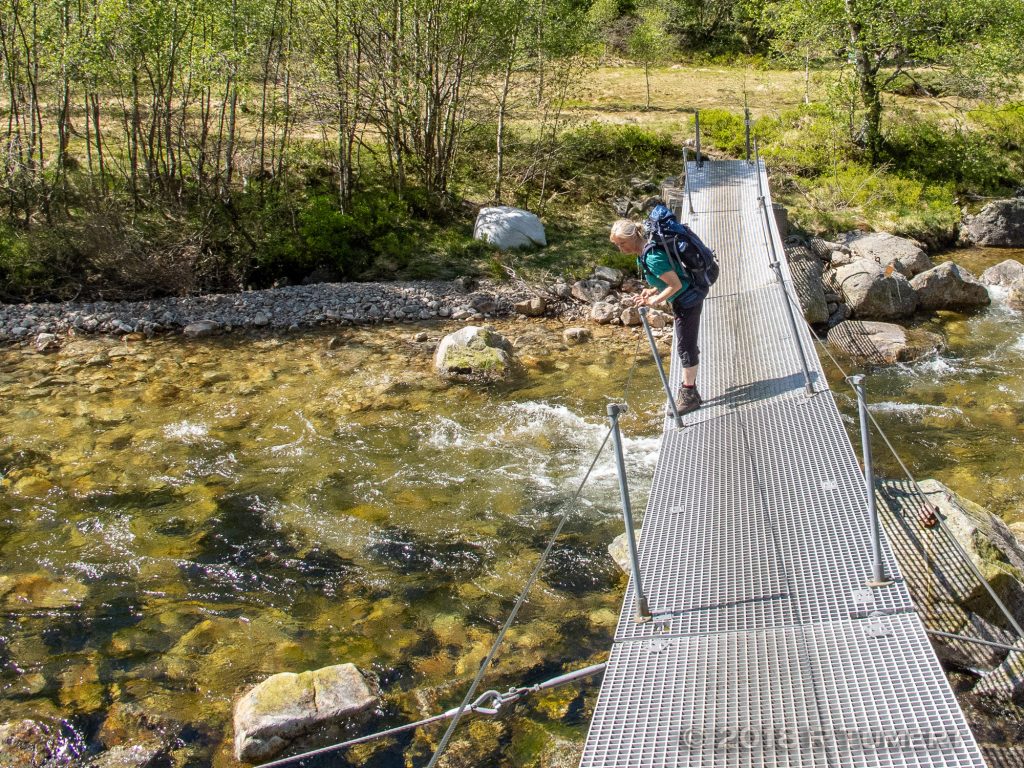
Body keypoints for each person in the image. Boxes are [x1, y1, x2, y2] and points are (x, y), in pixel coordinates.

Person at [609, 218, 706, 414]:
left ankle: (689, 395)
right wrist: (652, 291)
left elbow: (675, 285)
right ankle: (689, 389)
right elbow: (668, 276)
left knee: (685, 347)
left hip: (688, 300)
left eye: (622, 243)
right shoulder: (644, 252)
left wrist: (656, 301)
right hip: (683, 298)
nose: (621, 249)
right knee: (685, 344)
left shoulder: (652, 256)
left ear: (634, 237)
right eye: (617, 245)